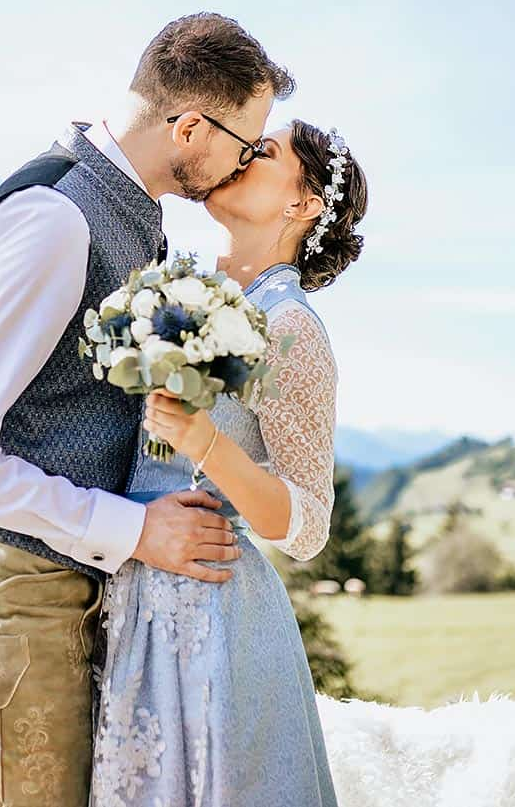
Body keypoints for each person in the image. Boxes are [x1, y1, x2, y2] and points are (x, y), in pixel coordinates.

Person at [0, 12, 296, 807]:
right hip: (9, 591)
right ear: (190, 126)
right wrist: (139, 530)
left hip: (62, 583)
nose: (245, 161)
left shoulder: (130, 212)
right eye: (244, 143)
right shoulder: (55, 219)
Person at [89, 119, 368, 807]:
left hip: (216, 621)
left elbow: (305, 527)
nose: (243, 153)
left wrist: (206, 443)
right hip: (128, 599)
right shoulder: (169, 293)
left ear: (303, 206)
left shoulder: (292, 328)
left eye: (264, 151)